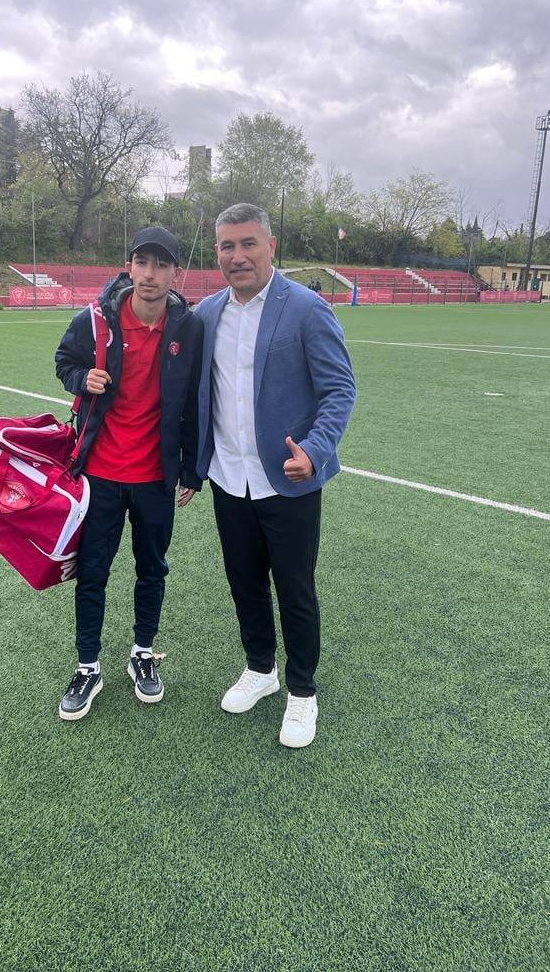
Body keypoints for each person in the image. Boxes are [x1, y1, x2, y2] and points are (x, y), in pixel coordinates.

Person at [194, 203, 356, 748]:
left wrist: (314, 449)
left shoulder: (307, 308)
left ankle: (302, 691)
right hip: (228, 477)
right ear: (217, 252)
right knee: (244, 582)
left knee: (295, 588)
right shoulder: (206, 314)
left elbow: (340, 390)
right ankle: (260, 668)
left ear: (271, 246)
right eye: (227, 246)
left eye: (248, 244)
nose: (237, 256)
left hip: (289, 479)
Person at [54, 227, 203, 721]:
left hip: (155, 477)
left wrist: (192, 468)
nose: (150, 274)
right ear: (130, 266)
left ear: (175, 273)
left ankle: (142, 653)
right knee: (92, 572)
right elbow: (64, 362)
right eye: (143, 262)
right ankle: (88, 666)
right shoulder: (95, 320)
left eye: (161, 265)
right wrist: (83, 378)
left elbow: (194, 402)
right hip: (99, 475)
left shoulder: (188, 328)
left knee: (152, 568)